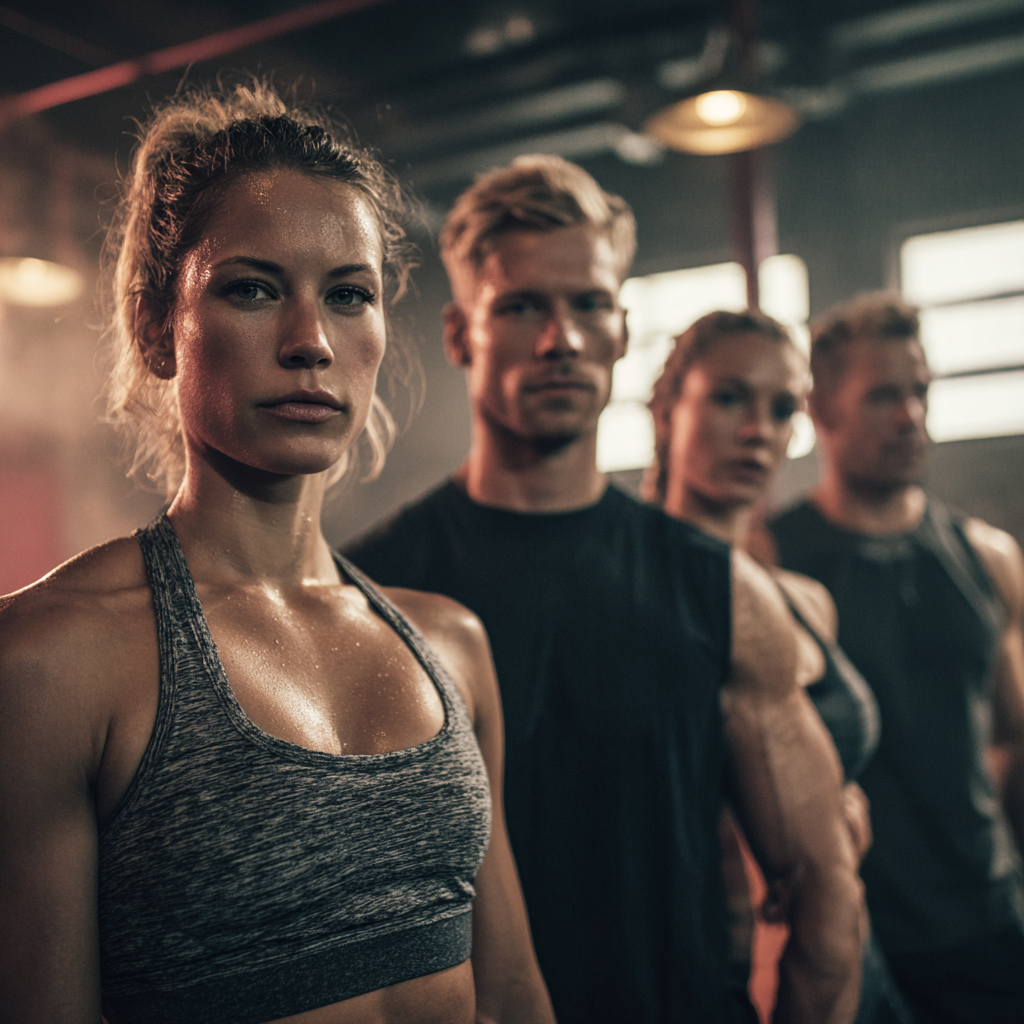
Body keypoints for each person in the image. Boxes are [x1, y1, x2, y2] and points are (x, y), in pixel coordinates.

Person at [0, 84, 555, 1024]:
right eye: (252, 288)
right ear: (154, 324)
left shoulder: (452, 647)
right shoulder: (53, 660)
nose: (310, 343)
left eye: (349, 296)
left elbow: (508, 994)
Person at [344, 154, 863, 1024]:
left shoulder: (718, 590)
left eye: (588, 304)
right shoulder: (372, 592)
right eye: (521, 307)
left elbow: (822, 894)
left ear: (622, 329)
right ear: (461, 335)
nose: (561, 339)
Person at [645, 309, 913, 1024]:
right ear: (668, 408)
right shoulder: (637, 604)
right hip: (738, 975)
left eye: (783, 407)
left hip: (854, 951)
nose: (759, 429)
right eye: (729, 398)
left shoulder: (803, 600)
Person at [768, 291, 1024, 1024]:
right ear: (822, 412)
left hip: (990, 921)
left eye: (920, 392)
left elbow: (1013, 737)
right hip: (861, 935)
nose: (911, 415)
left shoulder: (989, 556)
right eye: (884, 395)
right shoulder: (772, 565)